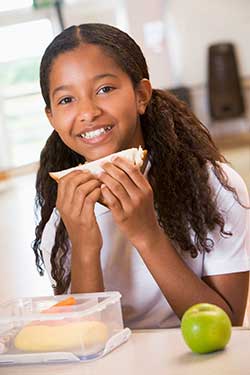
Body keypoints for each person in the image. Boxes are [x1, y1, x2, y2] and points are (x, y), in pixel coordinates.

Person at [33, 23, 250, 329]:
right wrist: (84, 246)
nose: (88, 112)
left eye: (105, 89)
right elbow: (83, 338)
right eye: (67, 99)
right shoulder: (61, 217)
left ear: (141, 95)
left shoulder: (214, 187)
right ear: (52, 118)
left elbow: (228, 325)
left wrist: (147, 235)